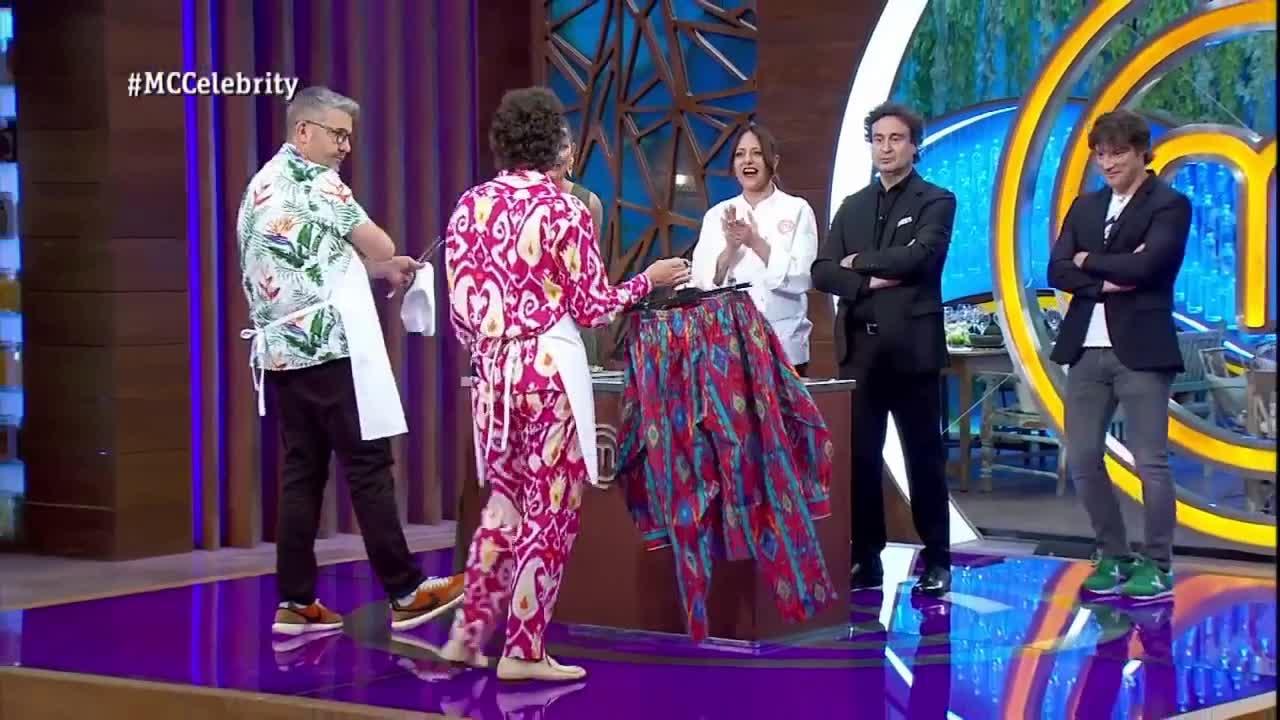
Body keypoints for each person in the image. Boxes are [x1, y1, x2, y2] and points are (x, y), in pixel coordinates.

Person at [439, 86, 689, 681]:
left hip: (491, 377)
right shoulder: (564, 209)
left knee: (502, 506)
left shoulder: (469, 207)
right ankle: (523, 650)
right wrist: (649, 280)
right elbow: (594, 306)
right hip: (548, 372)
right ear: (558, 147)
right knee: (550, 510)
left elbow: (459, 311)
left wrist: (494, 349)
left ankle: (466, 638)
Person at [236, 86, 463, 636]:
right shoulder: (320, 183)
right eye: (337, 134)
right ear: (303, 131)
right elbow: (380, 243)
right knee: (367, 466)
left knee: (302, 473)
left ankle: (295, 602)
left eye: (348, 137)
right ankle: (406, 591)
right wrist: (384, 260)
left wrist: (378, 270)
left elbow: (307, 264)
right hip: (331, 349)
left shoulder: (260, 185)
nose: (344, 147)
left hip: (282, 354)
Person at [811, 102, 955, 596]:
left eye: (896, 139)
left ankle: (937, 558)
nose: (886, 148)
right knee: (861, 460)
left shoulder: (937, 200)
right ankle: (865, 557)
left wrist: (857, 263)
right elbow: (822, 270)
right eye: (878, 139)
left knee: (923, 458)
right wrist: (868, 280)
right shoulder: (852, 204)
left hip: (912, 352)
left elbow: (920, 259)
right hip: (860, 352)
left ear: (914, 145)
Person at [1048, 109, 1190, 600]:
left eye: (1118, 154)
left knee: (1150, 461)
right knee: (1083, 457)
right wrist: (1108, 277)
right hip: (1086, 348)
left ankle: (1158, 563)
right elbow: (1058, 269)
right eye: (1100, 155)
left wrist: (1090, 261)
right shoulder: (1085, 207)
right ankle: (1113, 554)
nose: (1107, 164)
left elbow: (1149, 267)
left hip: (1142, 349)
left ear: (1141, 152)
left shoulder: (1169, 204)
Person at [688, 123, 819, 373]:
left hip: (784, 343)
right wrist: (730, 248)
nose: (748, 160)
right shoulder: (717, 215)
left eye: (757, 153)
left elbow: (803, 277)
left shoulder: (797, 209)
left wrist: (755, 242)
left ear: (774, 162)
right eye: (740, 154)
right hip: (729, 345)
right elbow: (703, 281)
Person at [547, 123, 610, 367]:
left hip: (576, 323)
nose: (556, 155)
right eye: (549, 147)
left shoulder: (588, 203)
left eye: (562, 147)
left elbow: (591, 275)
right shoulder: (519, 201)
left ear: (572, 151)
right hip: (533, 323)